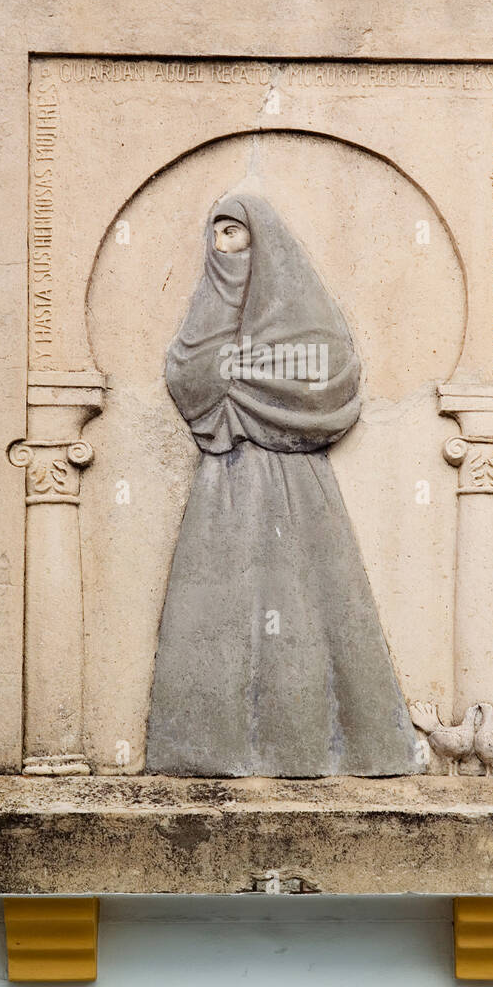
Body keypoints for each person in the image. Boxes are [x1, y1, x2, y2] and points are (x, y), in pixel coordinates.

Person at [145, 191, 423, 777]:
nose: (226, 245)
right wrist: (233, 355)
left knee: (308, 604)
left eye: (237, 233)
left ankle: (319, 745)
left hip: (299, 490)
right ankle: (211, 747)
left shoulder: (308, 313)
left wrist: (238, 382)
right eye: (217, 233)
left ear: (263, 240)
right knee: (218, 609)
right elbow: (190, 376)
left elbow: (327, 383)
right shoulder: (207, 310)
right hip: (226, 487)